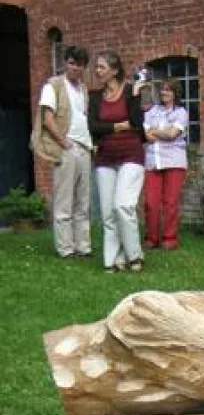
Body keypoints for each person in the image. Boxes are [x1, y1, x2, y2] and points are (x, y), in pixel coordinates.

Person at [31, 45, 93, 259]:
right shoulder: (54, 85)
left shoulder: (83, 89)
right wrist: (63, 142)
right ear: (65, 63)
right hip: (66, 147)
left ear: (84, 67)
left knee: (83, 203)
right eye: (72, 63)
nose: (75, 67)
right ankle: (66, 249)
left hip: (85, 147)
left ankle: (83, 247)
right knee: (64, 202)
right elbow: (48, 118)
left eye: (80, 64)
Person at [88, 51, 146, 273]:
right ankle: (112, 260)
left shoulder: (131, 90)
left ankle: (134, 255)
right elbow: (93, 127)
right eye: (97, 67)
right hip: (105, 158)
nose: (97, 71)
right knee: (108, 213)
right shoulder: (95, 97)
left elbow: (136, 122)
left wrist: (136, 97)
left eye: (101, 67)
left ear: (114, 70)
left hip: (131, 154)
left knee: (123, 206)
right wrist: (117, 126)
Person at [143, 79, 188, 250]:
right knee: (151, 202)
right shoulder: (152, 111)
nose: (164, 93)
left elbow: (172, 134)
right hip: (153, 160)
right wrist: (158, 133)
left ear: (175, 93)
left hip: (174, 161)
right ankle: (151, 238)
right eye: (162, 89)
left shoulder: (181, 113)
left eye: (168, 90)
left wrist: (155, 132)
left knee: (170, 202)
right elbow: (146, 135)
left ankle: (169, 238)